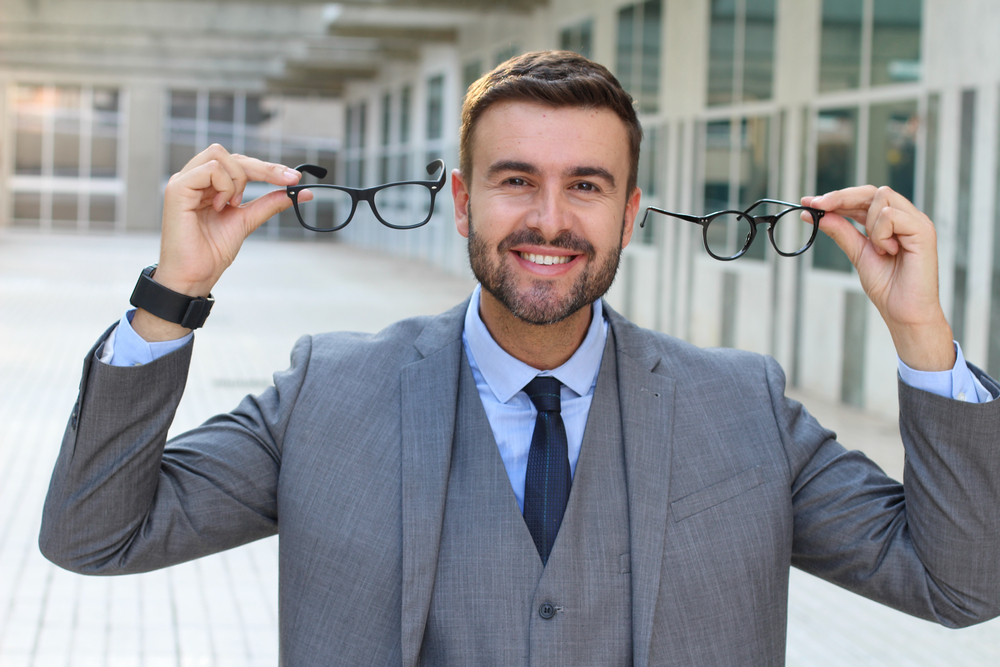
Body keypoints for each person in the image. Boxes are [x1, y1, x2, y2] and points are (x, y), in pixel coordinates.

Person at [40, 51, 1000, 666]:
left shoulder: (743, 405)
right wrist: (173, 295)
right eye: (515, 181)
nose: (549, 220)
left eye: (585, 185)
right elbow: (93, 535)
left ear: (630, 213)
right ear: (462, 201)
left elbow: (961, 584)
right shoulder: (329, 393)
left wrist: (922, 336)